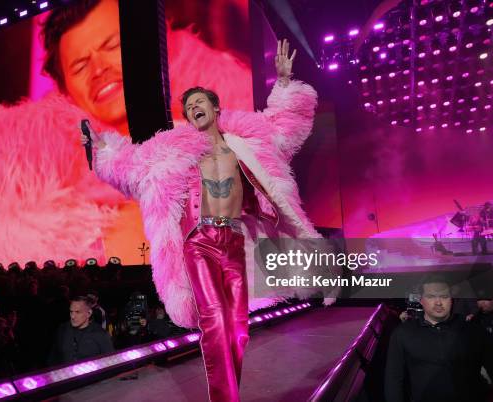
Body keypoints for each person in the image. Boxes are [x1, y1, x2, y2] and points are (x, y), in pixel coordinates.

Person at [83, 39, 335, 402]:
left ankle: (227, 392)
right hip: (199, 243)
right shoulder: (175, 152)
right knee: (214, 320)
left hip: (235, 242)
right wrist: (103, 147)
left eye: (199, 102)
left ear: (216, 108)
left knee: (239, 329)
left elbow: (286, 127)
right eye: (188, 107)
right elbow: (132, 167)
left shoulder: (248, 143)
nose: (193, 108)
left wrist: (283, 85)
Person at [0, 0, 255, 269]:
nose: (99, 70)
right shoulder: (51, 193)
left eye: (112, 46)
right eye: (80, 66)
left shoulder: (216, 134)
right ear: (66, 90)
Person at [384, 275, 493, 402]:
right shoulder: (403, 333)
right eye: (431, 296)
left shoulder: (473, 331)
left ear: (451, 299)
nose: (438, 302)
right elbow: (393, 379)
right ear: (421, 300)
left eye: (444, 296)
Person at [49, 296, 114, 365]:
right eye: (71, 312)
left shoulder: (101, 334)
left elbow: (110, 363)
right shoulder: (63, 329)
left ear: (89, 313)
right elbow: (53, 358)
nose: (72, 316)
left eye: (77, 312)